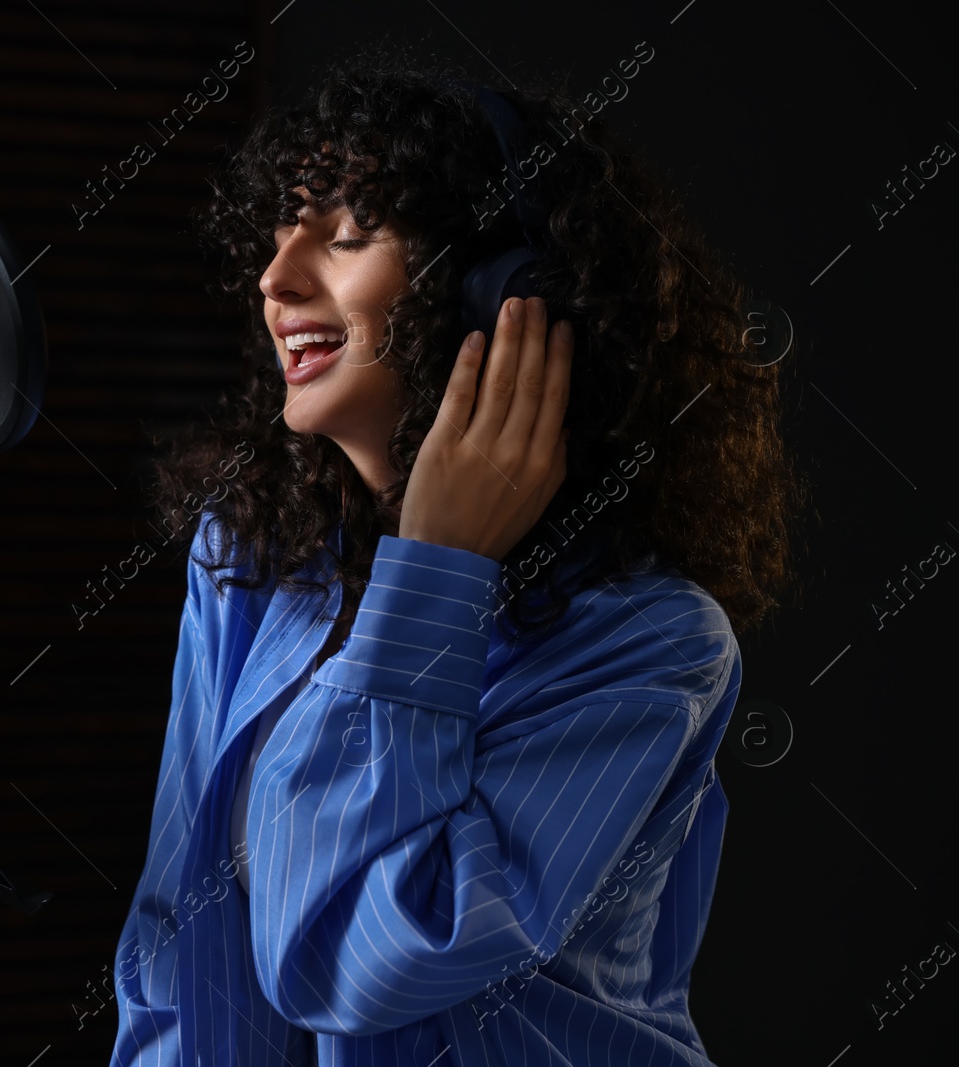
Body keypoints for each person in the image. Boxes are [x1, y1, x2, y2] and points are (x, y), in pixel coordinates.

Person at [109, 51, 808, 1067]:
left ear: (501, 295)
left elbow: (360, 962)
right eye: (279, 230)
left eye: (346, 234)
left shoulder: (651, 641)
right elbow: (179, 944)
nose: (276, 278)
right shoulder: (248, 562)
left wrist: (433, 569)